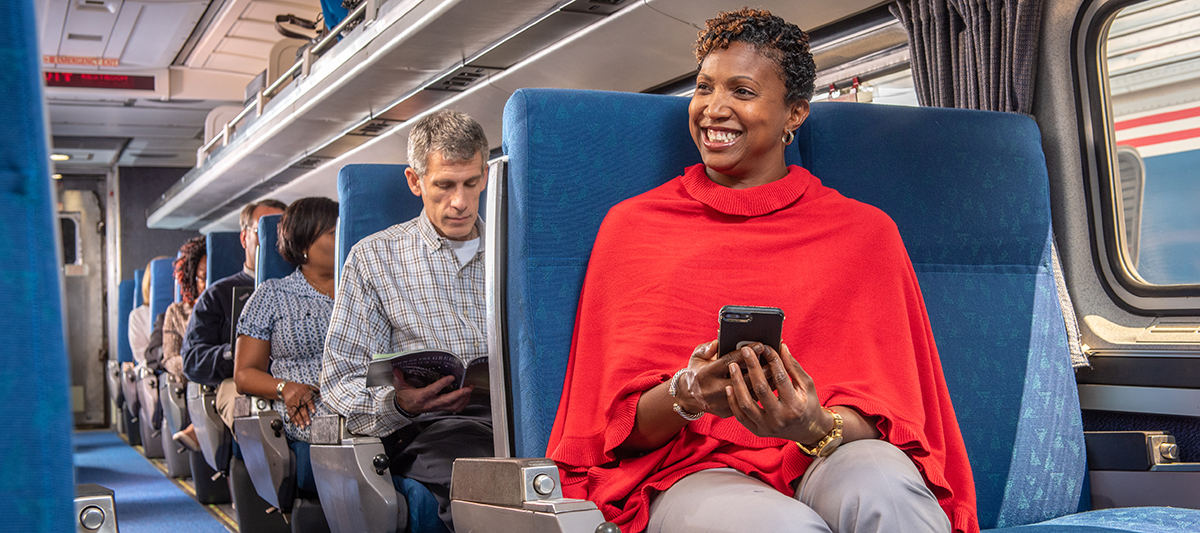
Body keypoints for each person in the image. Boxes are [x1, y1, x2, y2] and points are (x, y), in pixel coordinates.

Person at [546, 9, 977, 533]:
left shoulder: (866, 234)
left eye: (742, 92)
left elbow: (894, 418)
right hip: (687, 470)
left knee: (887, 490)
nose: (713, 109)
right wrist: (690, 395)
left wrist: (811, 422)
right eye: (704, 87)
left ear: (795, 113)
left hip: (821, 451)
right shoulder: (631, 227)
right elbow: (611, 434)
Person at [321, 109, 493, 533]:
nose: (460, 201)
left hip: (524, 421)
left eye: (471, 183)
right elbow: (340, 380)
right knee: (489, 492)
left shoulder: (517, 247)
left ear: (486, 175)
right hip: (430, 430)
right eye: (444, 185)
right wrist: (398, 403)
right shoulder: (374, 259)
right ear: (415, 182)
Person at [234, 197, 338, 495]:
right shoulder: (272, 295)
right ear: (304, 242)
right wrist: (285, 388)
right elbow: (244, 375)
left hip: (359, 397)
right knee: (347, 426)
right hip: (304, 405)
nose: (343, 237)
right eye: (333, 232)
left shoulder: (359, 290)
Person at [182, 199, 286, 430]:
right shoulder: (218, 295)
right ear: (243, 238)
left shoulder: (306, 289)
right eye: (263, 231)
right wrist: (238, 354)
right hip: (236, 383)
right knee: (252, 411)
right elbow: (192, 360)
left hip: (293, 377)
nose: (274, 240)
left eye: (281, 231)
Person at [163, 236, 206, 452]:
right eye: (201, 278)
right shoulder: (176, 312)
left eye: (211, 278)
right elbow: (170, 358)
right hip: (194, 379)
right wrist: (198, 365)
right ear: (191, 280)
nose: (206, 285)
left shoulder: (232, 305)